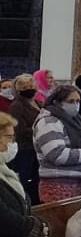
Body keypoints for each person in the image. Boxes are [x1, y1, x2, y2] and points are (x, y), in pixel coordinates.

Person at [33, 84, 81, 204]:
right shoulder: (48, 122)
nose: (75, 105)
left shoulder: (75, 120)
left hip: (80, 182)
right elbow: (57, 155)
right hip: (58, 185)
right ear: (56, 102)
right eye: (71, 101)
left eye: (78, 101)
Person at [0, 112, 47, 237]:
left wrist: (37, 226)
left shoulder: (4, 169)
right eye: (9, 137)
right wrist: (32, 228)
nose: (13, 142)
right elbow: (3, 216)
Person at [8, 73, 41, 205]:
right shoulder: (17, 106)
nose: (29, 89)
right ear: (18, 90)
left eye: (31, 86)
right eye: (25, 87)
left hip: (37, 147)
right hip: (25, 148)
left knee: (36, 179)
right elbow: (19, 129)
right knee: (24, 178)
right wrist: (40, 131)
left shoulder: (39, 103)